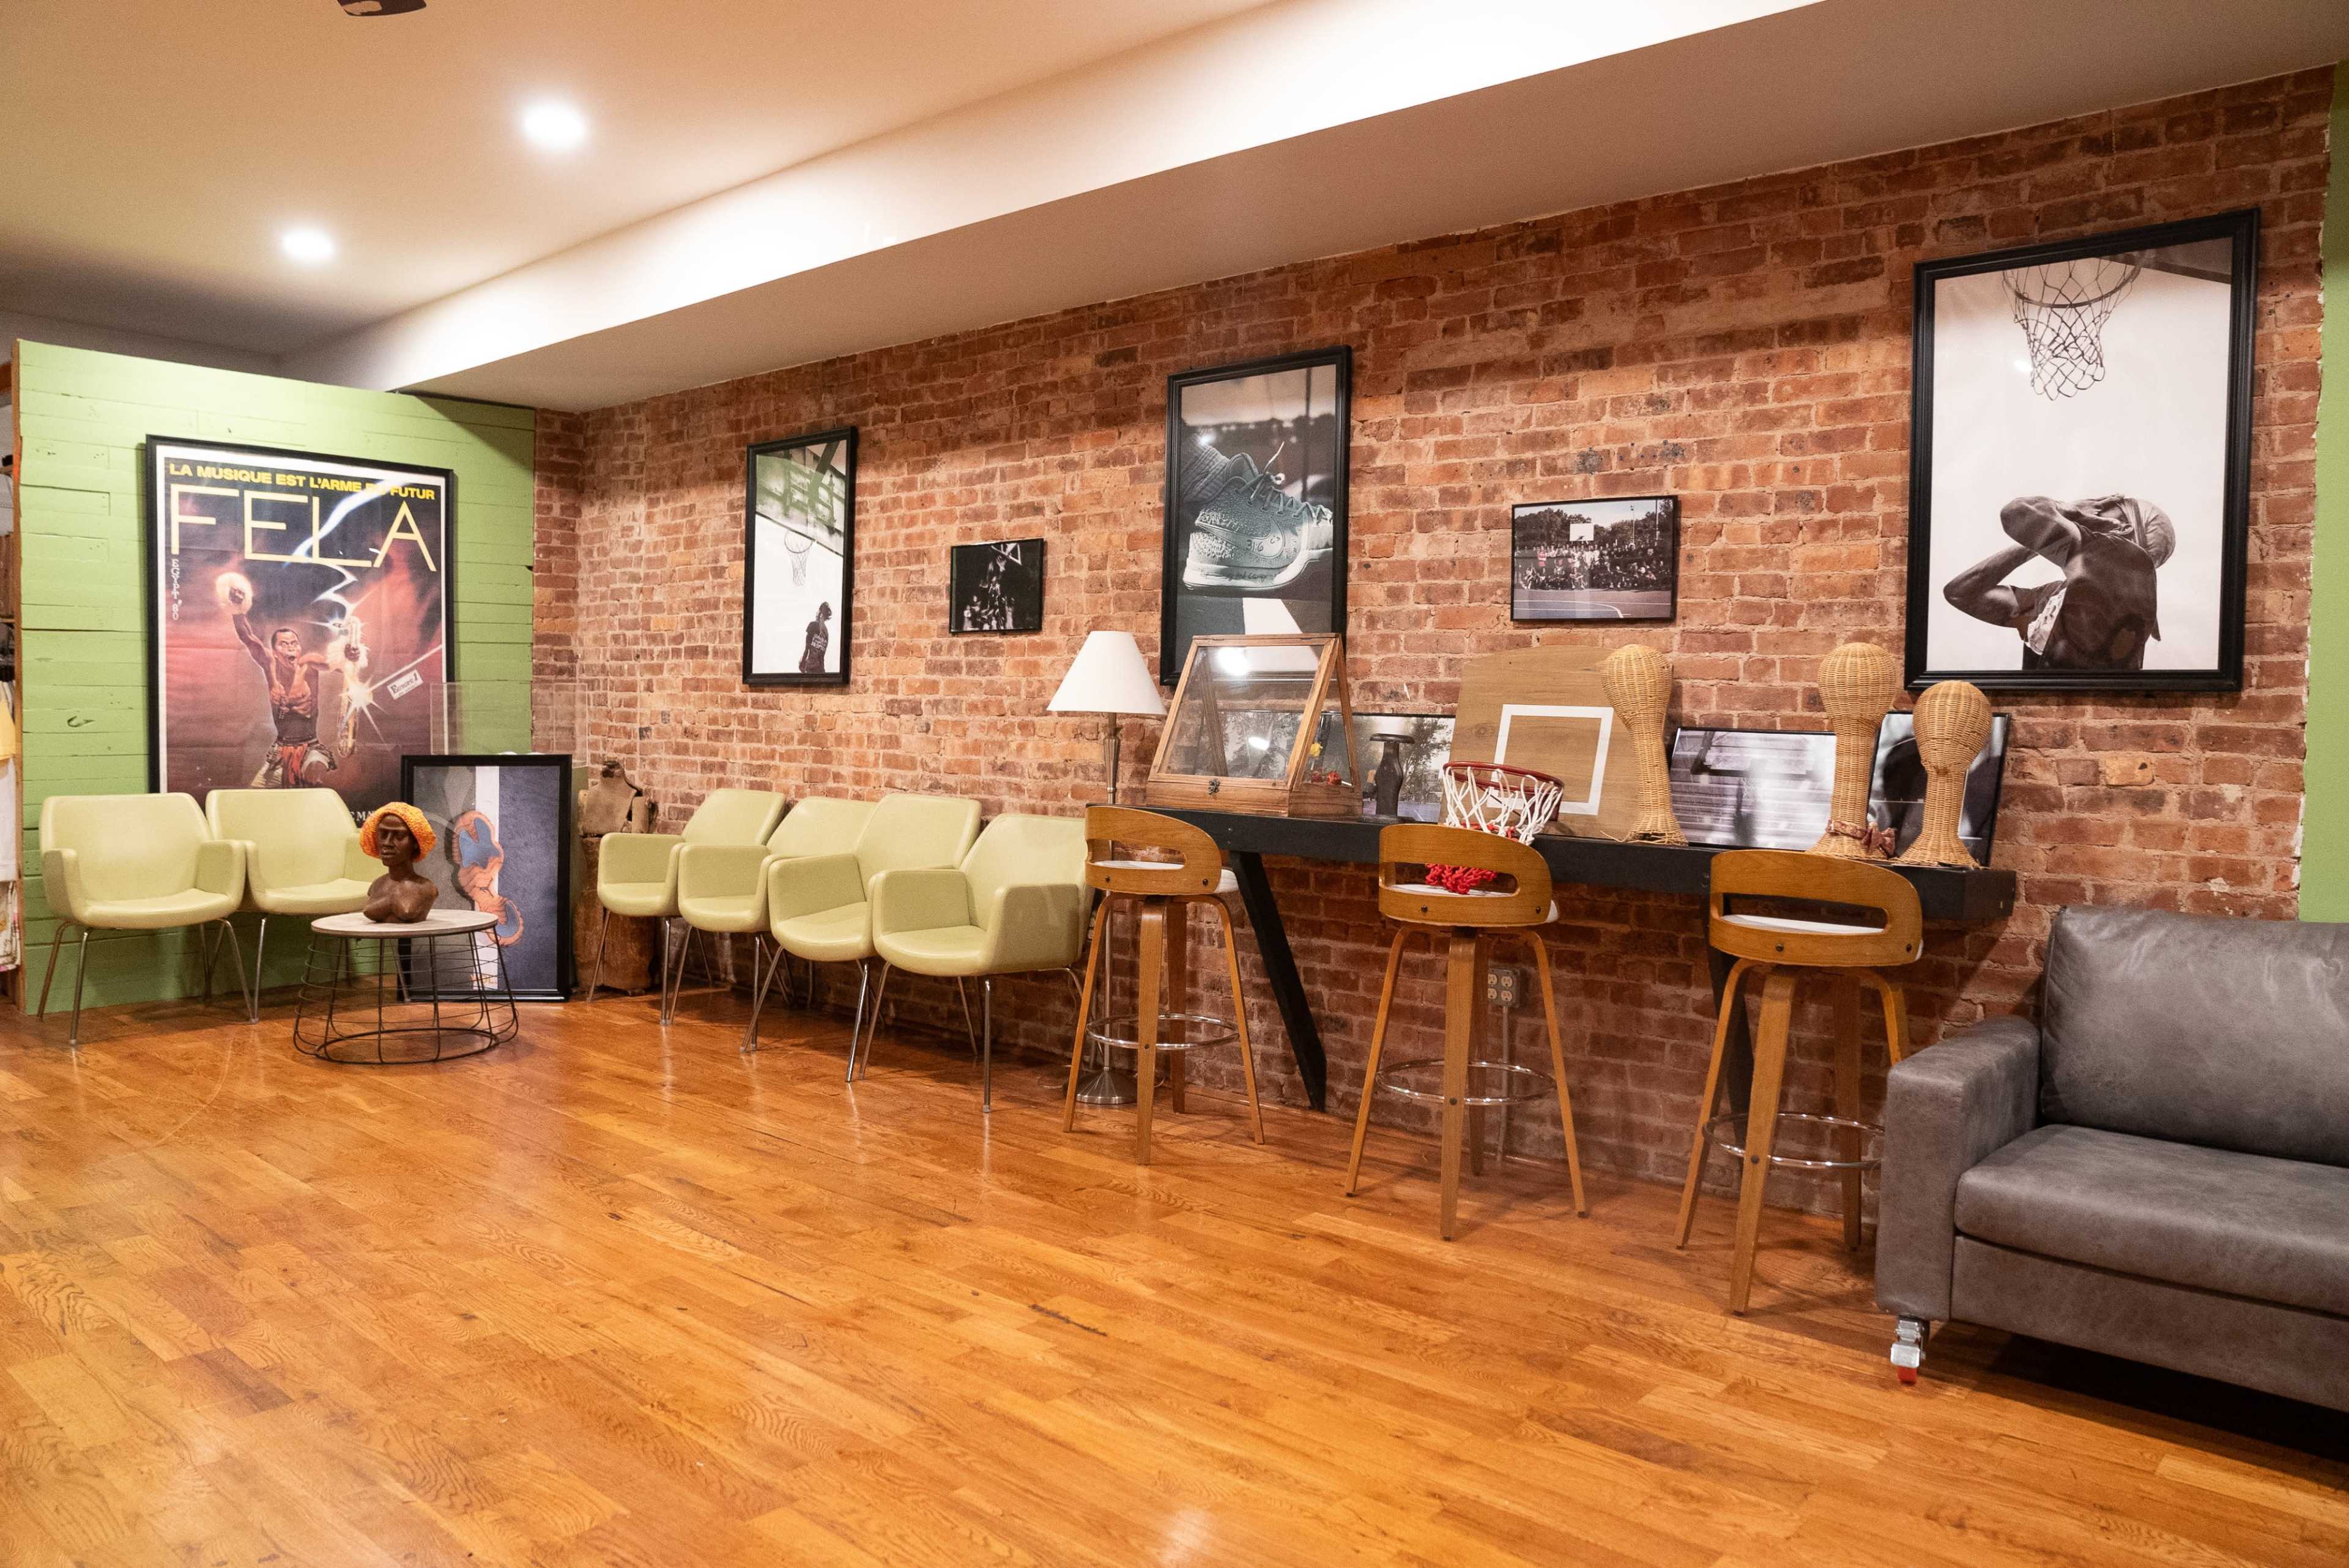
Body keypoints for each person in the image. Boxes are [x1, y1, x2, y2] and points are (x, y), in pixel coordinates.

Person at [1942, 494, 2175, 671]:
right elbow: (1961, 594)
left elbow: (2017, 513)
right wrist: (2038, 542)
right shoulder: (2058, 598)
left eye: (2103, 508)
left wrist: (2069, 511)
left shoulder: (2129, 562)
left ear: (2123, 528)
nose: (2096, 507)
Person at [220, 572, 343, 787]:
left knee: (314, 770)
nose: (291, 648)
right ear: (275, 652)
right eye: (284, 645)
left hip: (312, 749)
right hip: (281, 751)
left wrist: (350, 656)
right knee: (254, 794)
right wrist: (238, 610)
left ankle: (314, 793)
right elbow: (248, 638)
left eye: (294, 643)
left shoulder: (309, 664)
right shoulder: (270, 665)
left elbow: (334, 664)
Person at [357, 803, 439, 923]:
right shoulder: (377, 885)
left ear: (416, 842)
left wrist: (384, 903)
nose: (387, 843)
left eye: (399, 835)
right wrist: (391, 902)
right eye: (383, 834)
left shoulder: (426, 888)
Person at [800, 601, 832, 674]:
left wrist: (802, 662)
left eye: (818, 611)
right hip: (821, 670)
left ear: (820, 613)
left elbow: (807, 649)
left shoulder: (813, 625)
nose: (816, 614)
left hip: (811, 668)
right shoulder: (826, 633)